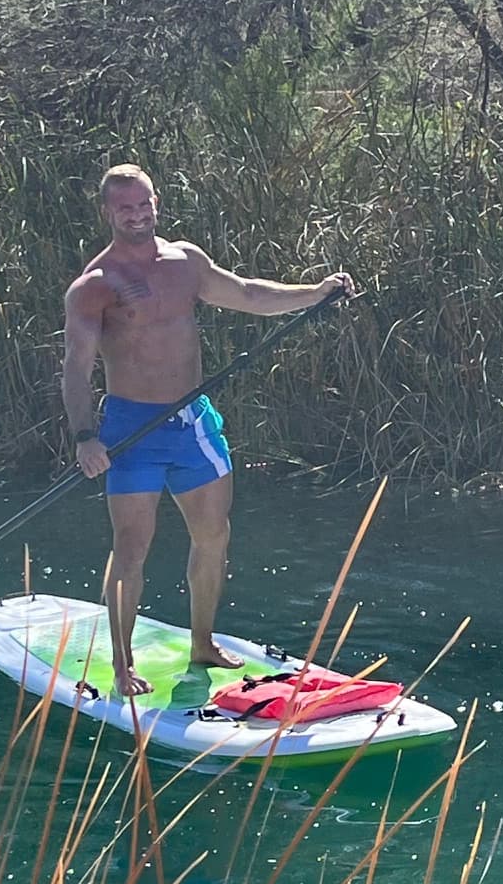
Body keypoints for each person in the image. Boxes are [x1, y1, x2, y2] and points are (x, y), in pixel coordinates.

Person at [62, 163, 354, 696]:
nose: (137, 214)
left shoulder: (185, 261)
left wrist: (314, 292)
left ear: (156, 201)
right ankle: (123, 663)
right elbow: (76, 368)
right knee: (131, 547)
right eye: (124, 207)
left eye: (143, 203)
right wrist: (86, 437)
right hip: (131, 428)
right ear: (108, 213)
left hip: (193, 422)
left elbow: (246, 293)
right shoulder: (94, 286)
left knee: (214, 534)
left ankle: (203, 642)